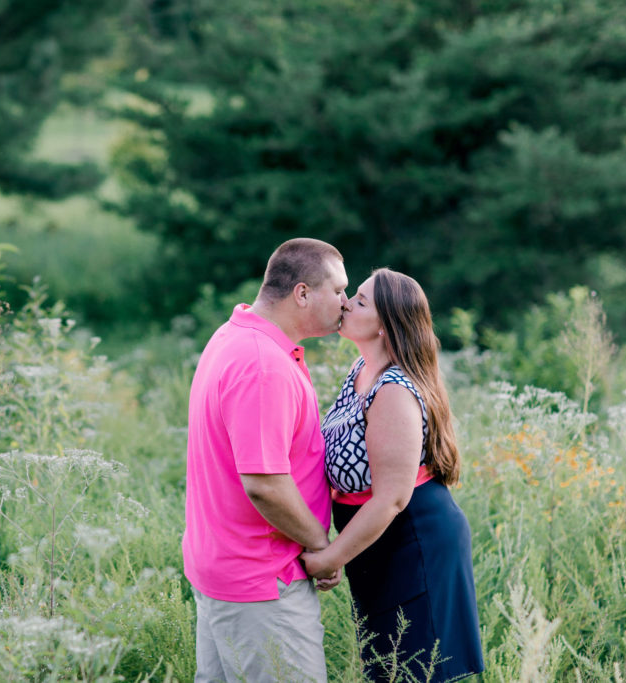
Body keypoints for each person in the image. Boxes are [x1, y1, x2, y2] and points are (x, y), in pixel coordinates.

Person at [301, 268, 484, 682]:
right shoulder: (360, 370)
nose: (346, 302)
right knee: (388, 668)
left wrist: (331, 556)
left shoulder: (394, 389)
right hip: (377, 544)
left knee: (415, 670)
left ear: (386, 326)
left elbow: (392, 498)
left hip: (412, 541)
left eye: (360, 301)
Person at [184, 238, 348, 683]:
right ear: (302, 293)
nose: (345, 303)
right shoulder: (263, 364)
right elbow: (264, 483)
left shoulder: (235, 334)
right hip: (261, 581)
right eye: (338, 291)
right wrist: (322, 546)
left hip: (226, 568)